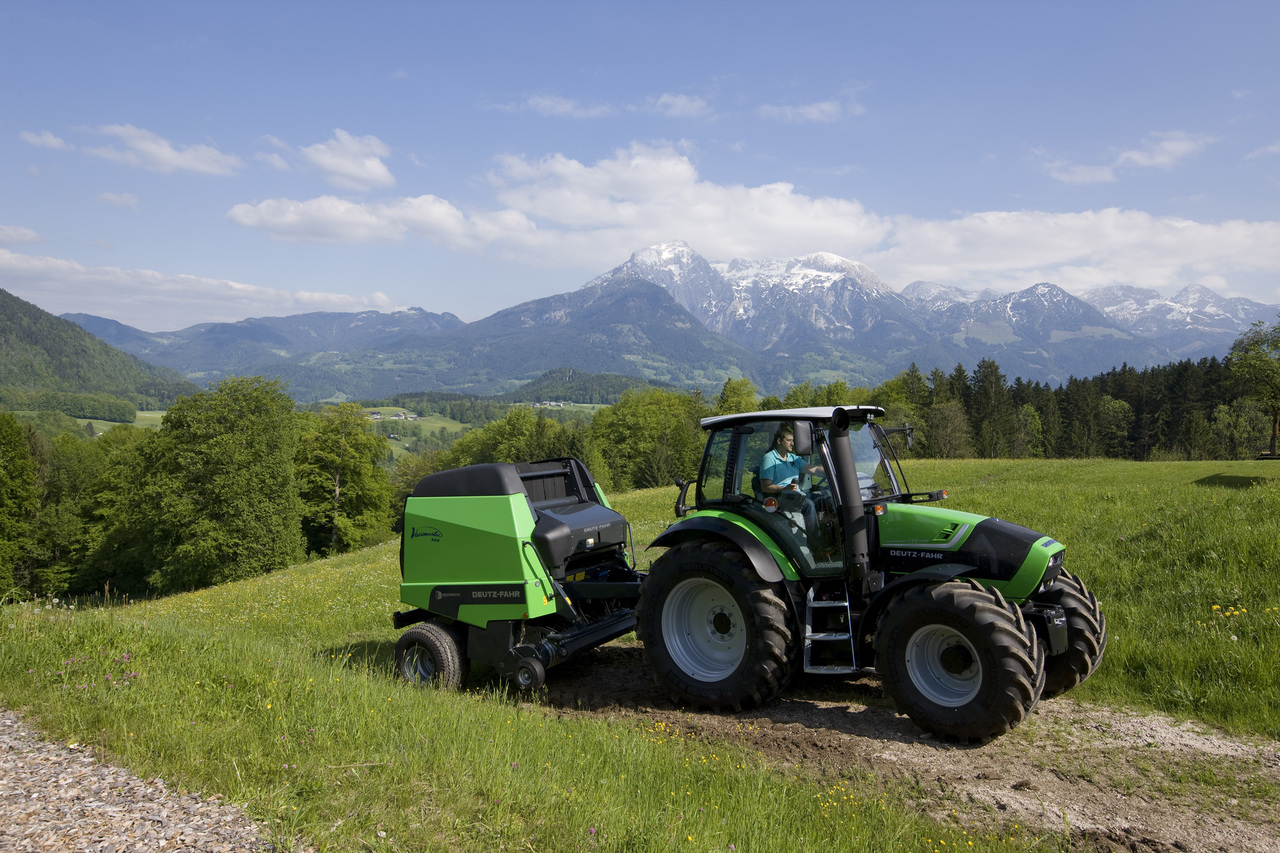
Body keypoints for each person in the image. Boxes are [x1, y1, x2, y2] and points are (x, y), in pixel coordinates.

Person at [759, 425, 823, 533]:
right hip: (780, 497)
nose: (792, 444)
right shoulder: (769, 459)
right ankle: (815, 542)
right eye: (789, 440)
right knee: (809, 504)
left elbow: (814, 470)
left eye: (793, 440)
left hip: (796, 495)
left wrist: (834, 472)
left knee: (823, 498)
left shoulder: (793, 458)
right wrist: (784, 489)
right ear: (779, 441)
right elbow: (765, 487)